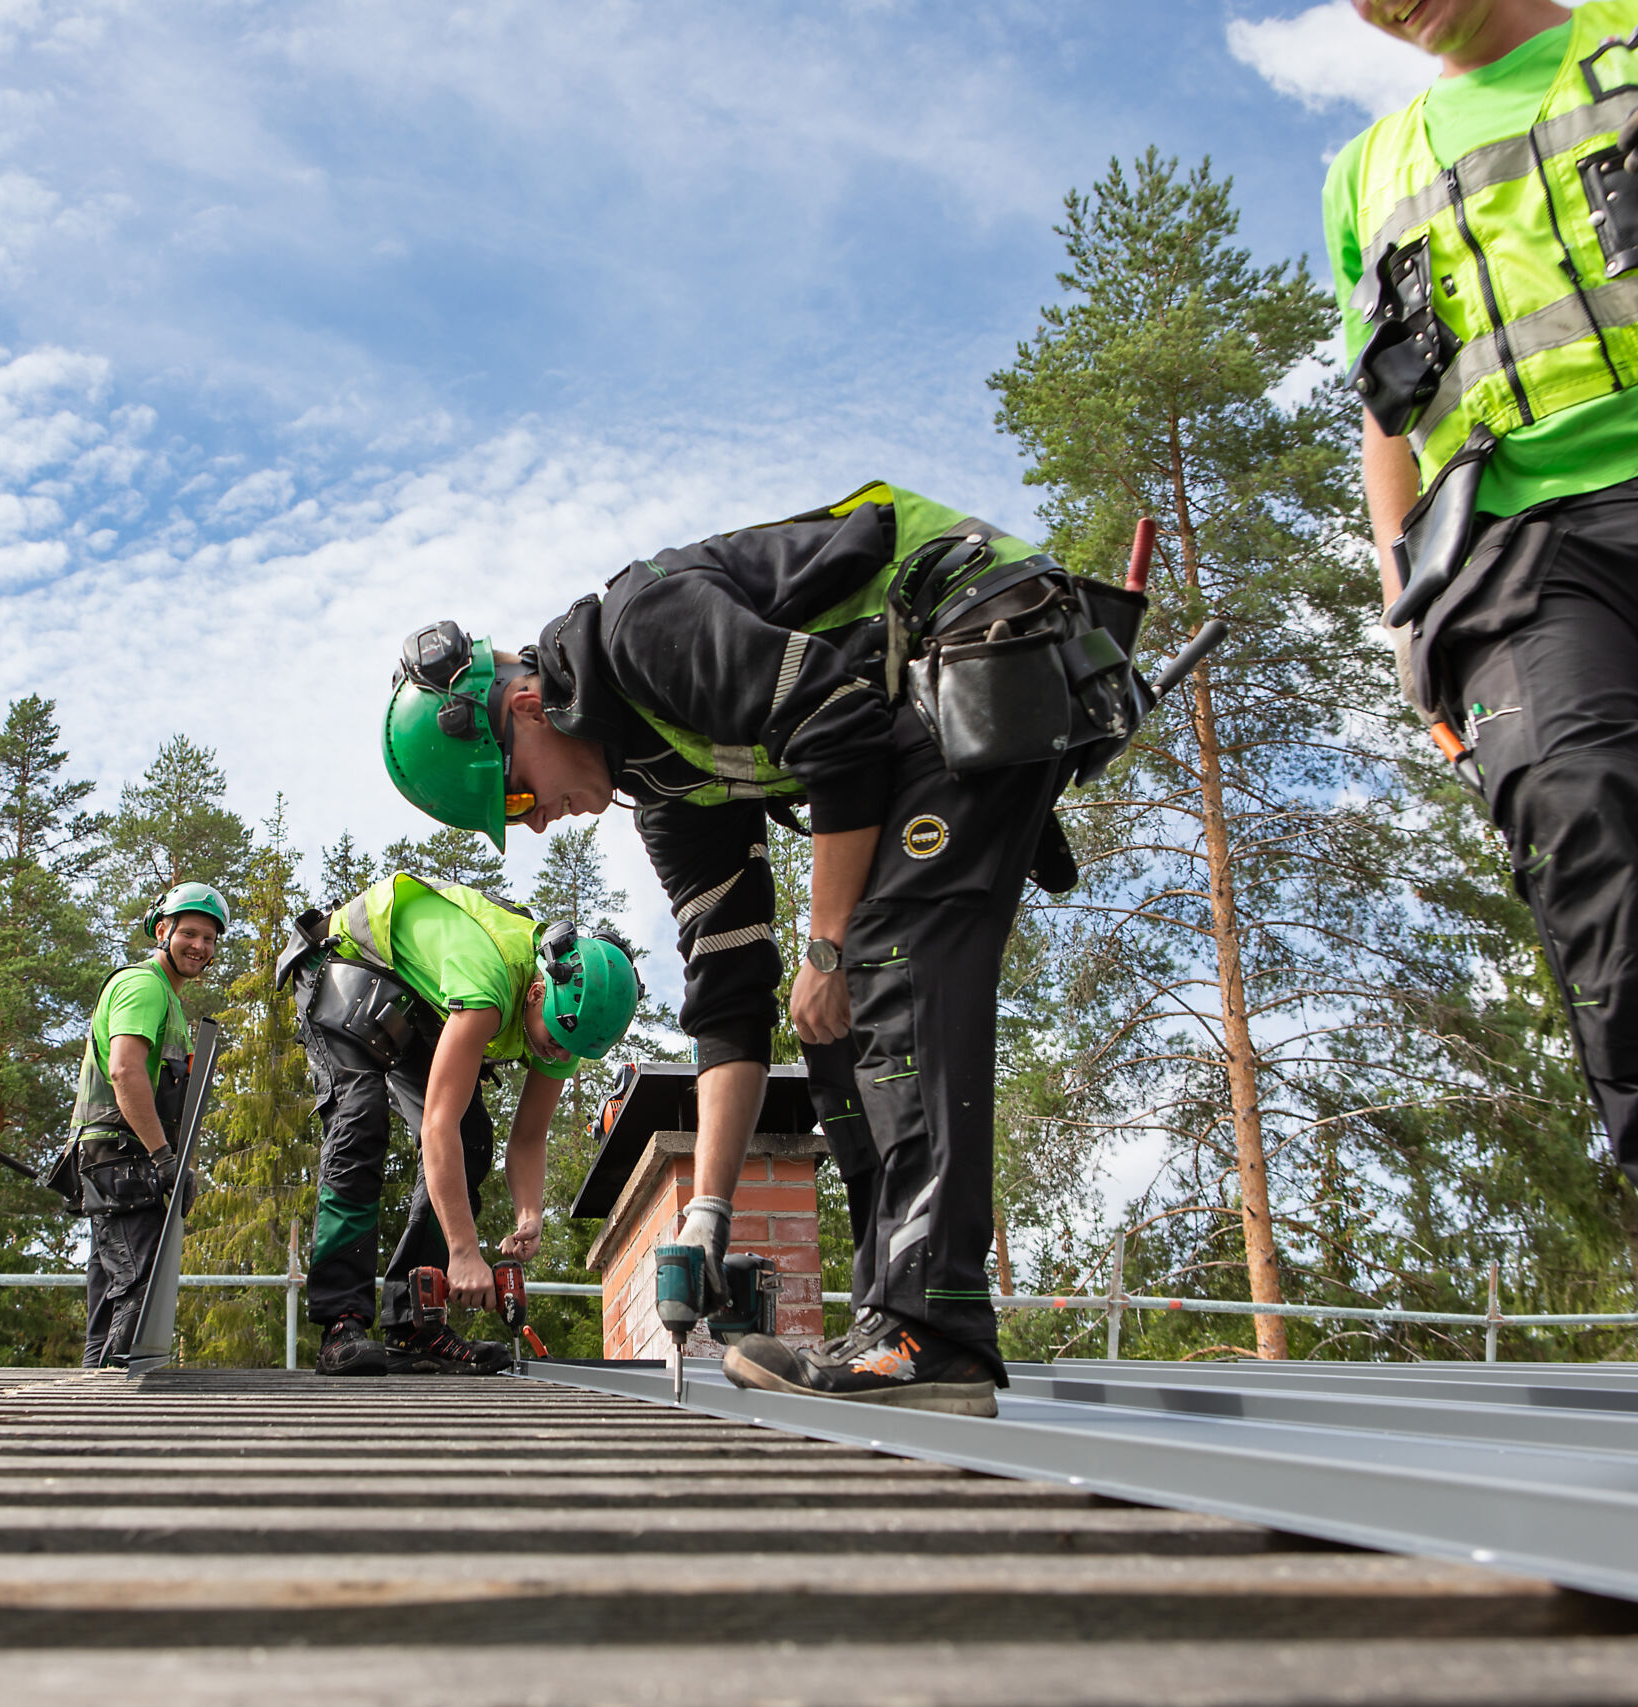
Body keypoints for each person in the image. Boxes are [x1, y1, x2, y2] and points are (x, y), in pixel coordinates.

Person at [382, 481, 1098, 1414]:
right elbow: (727, 989)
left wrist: (830, 945)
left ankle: (936, 1329)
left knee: (880, 965)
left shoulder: (643, 633)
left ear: (524, 705)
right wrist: (708, 1213)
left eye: (515, 794)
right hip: (921, 711)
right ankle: (897, 1321)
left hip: (981, 626)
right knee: (829, 1022)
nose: (537, 821)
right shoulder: (662, 789)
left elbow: (837, 724)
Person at [1336, 0, 1638, 1378]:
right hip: (1519, 546)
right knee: (1575, 813)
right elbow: (1386, 401)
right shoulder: (1370, 167)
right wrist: (1403, 603)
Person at [283, 871, 642, 1376]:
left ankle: (414, 1322)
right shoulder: (489, 983)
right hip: (348, 964)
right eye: (558, 1041)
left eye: (574, 1051)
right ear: (538, 991)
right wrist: (463, 1252)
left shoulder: (567, 1026)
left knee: (472, 1141)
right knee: (359, 1117)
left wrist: (530, 1214)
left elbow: (529, 1138)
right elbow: (436, 1126)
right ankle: (342, 1321)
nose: (558, 1055)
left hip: (418, 998)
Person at [67, 882, 225, 1366]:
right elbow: (125, 1070)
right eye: (191, 933)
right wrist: (164, 1159)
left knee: (113, 1291)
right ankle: (120, 1413)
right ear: (163, 930)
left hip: (126, 1159)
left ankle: (93, 1405)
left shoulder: (171, 1001)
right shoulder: (142, 985)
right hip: (122, 1157)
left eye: (211, 938)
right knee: (139, 1288)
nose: (200, 946)